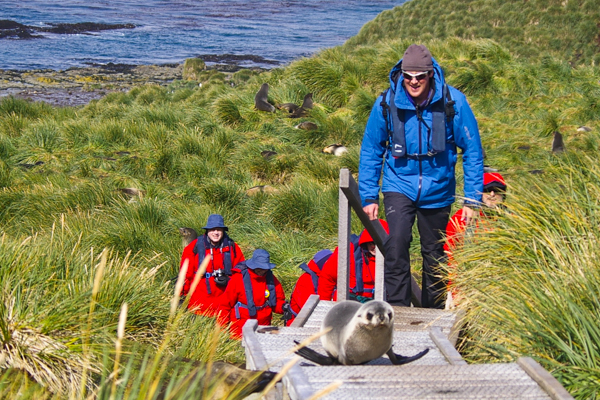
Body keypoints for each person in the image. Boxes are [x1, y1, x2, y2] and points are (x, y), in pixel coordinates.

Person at [358, 44, 484, 309]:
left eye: (420, 76)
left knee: (434, 254)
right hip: (398, 183)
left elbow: (472, 150)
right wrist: (369, 195)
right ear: (401, 74)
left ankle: (432, 314)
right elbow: (371, 149)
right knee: (396, 245)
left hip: (438, 187)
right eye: (408, 76)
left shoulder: (453, 101)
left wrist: (472, 199)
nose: (413, 82)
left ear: (430, 74)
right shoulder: (386, 102)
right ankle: (398, 312)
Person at [444, 172, 507, 308]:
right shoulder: (461, 218)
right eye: (486, 190)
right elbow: (451, 256)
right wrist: (451, 289)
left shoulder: (512, 220)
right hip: (467, 283)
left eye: (496, 190)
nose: (491, 194)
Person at [179, 214, 245, 316]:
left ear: (223, 231)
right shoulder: (194, 247)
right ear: (207, 231)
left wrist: (229, 280)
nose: (216, 233)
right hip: (199, 306)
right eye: (212, 229)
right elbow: (185, 275)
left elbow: (241, 272)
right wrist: (181, 297)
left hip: (225, 306)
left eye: (219, 229)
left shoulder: (232, 247)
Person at [217, 249, 286, 339]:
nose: (262, 270)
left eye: (265, 268)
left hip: (264, 328)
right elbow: (225, 305)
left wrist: (285, 307)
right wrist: (222, 330)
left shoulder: (270, 279)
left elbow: (277, 302)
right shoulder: (238, 279)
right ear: (253, 265)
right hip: (240, 329)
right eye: (259, 267)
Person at [318, 220, 390, 302]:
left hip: (377, 303)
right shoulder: (348, 250)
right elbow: (327, 278)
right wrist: (324, 304)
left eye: (380, 244)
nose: (375, 248)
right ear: (366, 241)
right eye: (372, 243)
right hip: (348, 302)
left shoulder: (393, 257)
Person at [283, 249, 333, 326]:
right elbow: (306, 308)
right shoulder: (306, 280)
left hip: (320, 320)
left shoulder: (329, 277)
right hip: (299, 324)